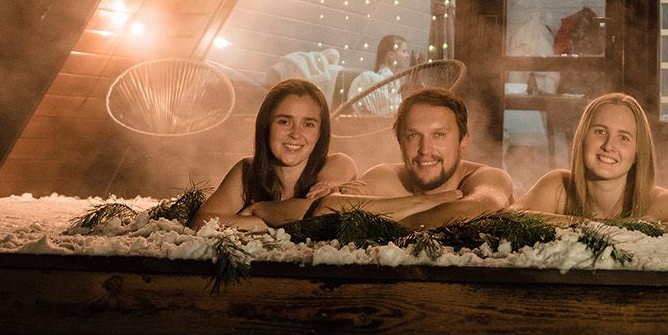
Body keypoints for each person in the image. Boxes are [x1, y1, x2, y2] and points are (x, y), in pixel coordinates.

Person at [514, 93, 668, 237]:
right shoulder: (558, 186)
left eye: (623, 138)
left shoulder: (652, 201)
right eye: (600, 131)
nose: (608, 145)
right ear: (582, 139)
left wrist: (642, 232)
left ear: (636, 154)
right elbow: (508, 219)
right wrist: (589, 226)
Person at [308, 88, 514, 229]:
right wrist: (427, 201)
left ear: (463, 142)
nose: (425, 149)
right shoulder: (387, 176)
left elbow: (474, 212)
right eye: (413, 136)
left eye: (439, 135)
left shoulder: (489, 177)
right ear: (400, 141)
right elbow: (327, 209)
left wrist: (373, 216)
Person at [190, 79, 358, 231]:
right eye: (284, 122)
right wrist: (258, 224)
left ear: (320, 133)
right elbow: (200, 221)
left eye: (308, 124)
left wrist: (258, 209)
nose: (296, 133)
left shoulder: (338, 163)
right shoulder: (247, 170)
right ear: (266, 125)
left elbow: (318, 212)